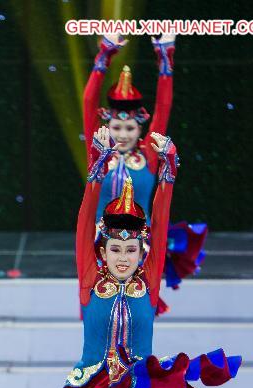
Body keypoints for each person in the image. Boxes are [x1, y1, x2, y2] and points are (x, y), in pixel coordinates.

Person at [28, 127, 240, 388]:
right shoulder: (90, 282)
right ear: (102, 251)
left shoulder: (149, 283)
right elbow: (82, 223)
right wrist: (95, 167)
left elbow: (159, 221)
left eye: (130, 250)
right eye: (115, 249)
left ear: (141, 253)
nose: (123, 257)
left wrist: (169, 169)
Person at [83, 34, 206, 311]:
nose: (122, 134)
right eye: (116, 127)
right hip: (98, 246)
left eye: (129, 129)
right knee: (97, 308)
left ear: (140, 130)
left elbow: (163, 108)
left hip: (140, 246)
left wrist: (165, 59)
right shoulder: (98, 152)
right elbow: (89, 101)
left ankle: (136, 355)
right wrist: (105, 56)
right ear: (107, 127)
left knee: (138, 309)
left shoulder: (149, 155)